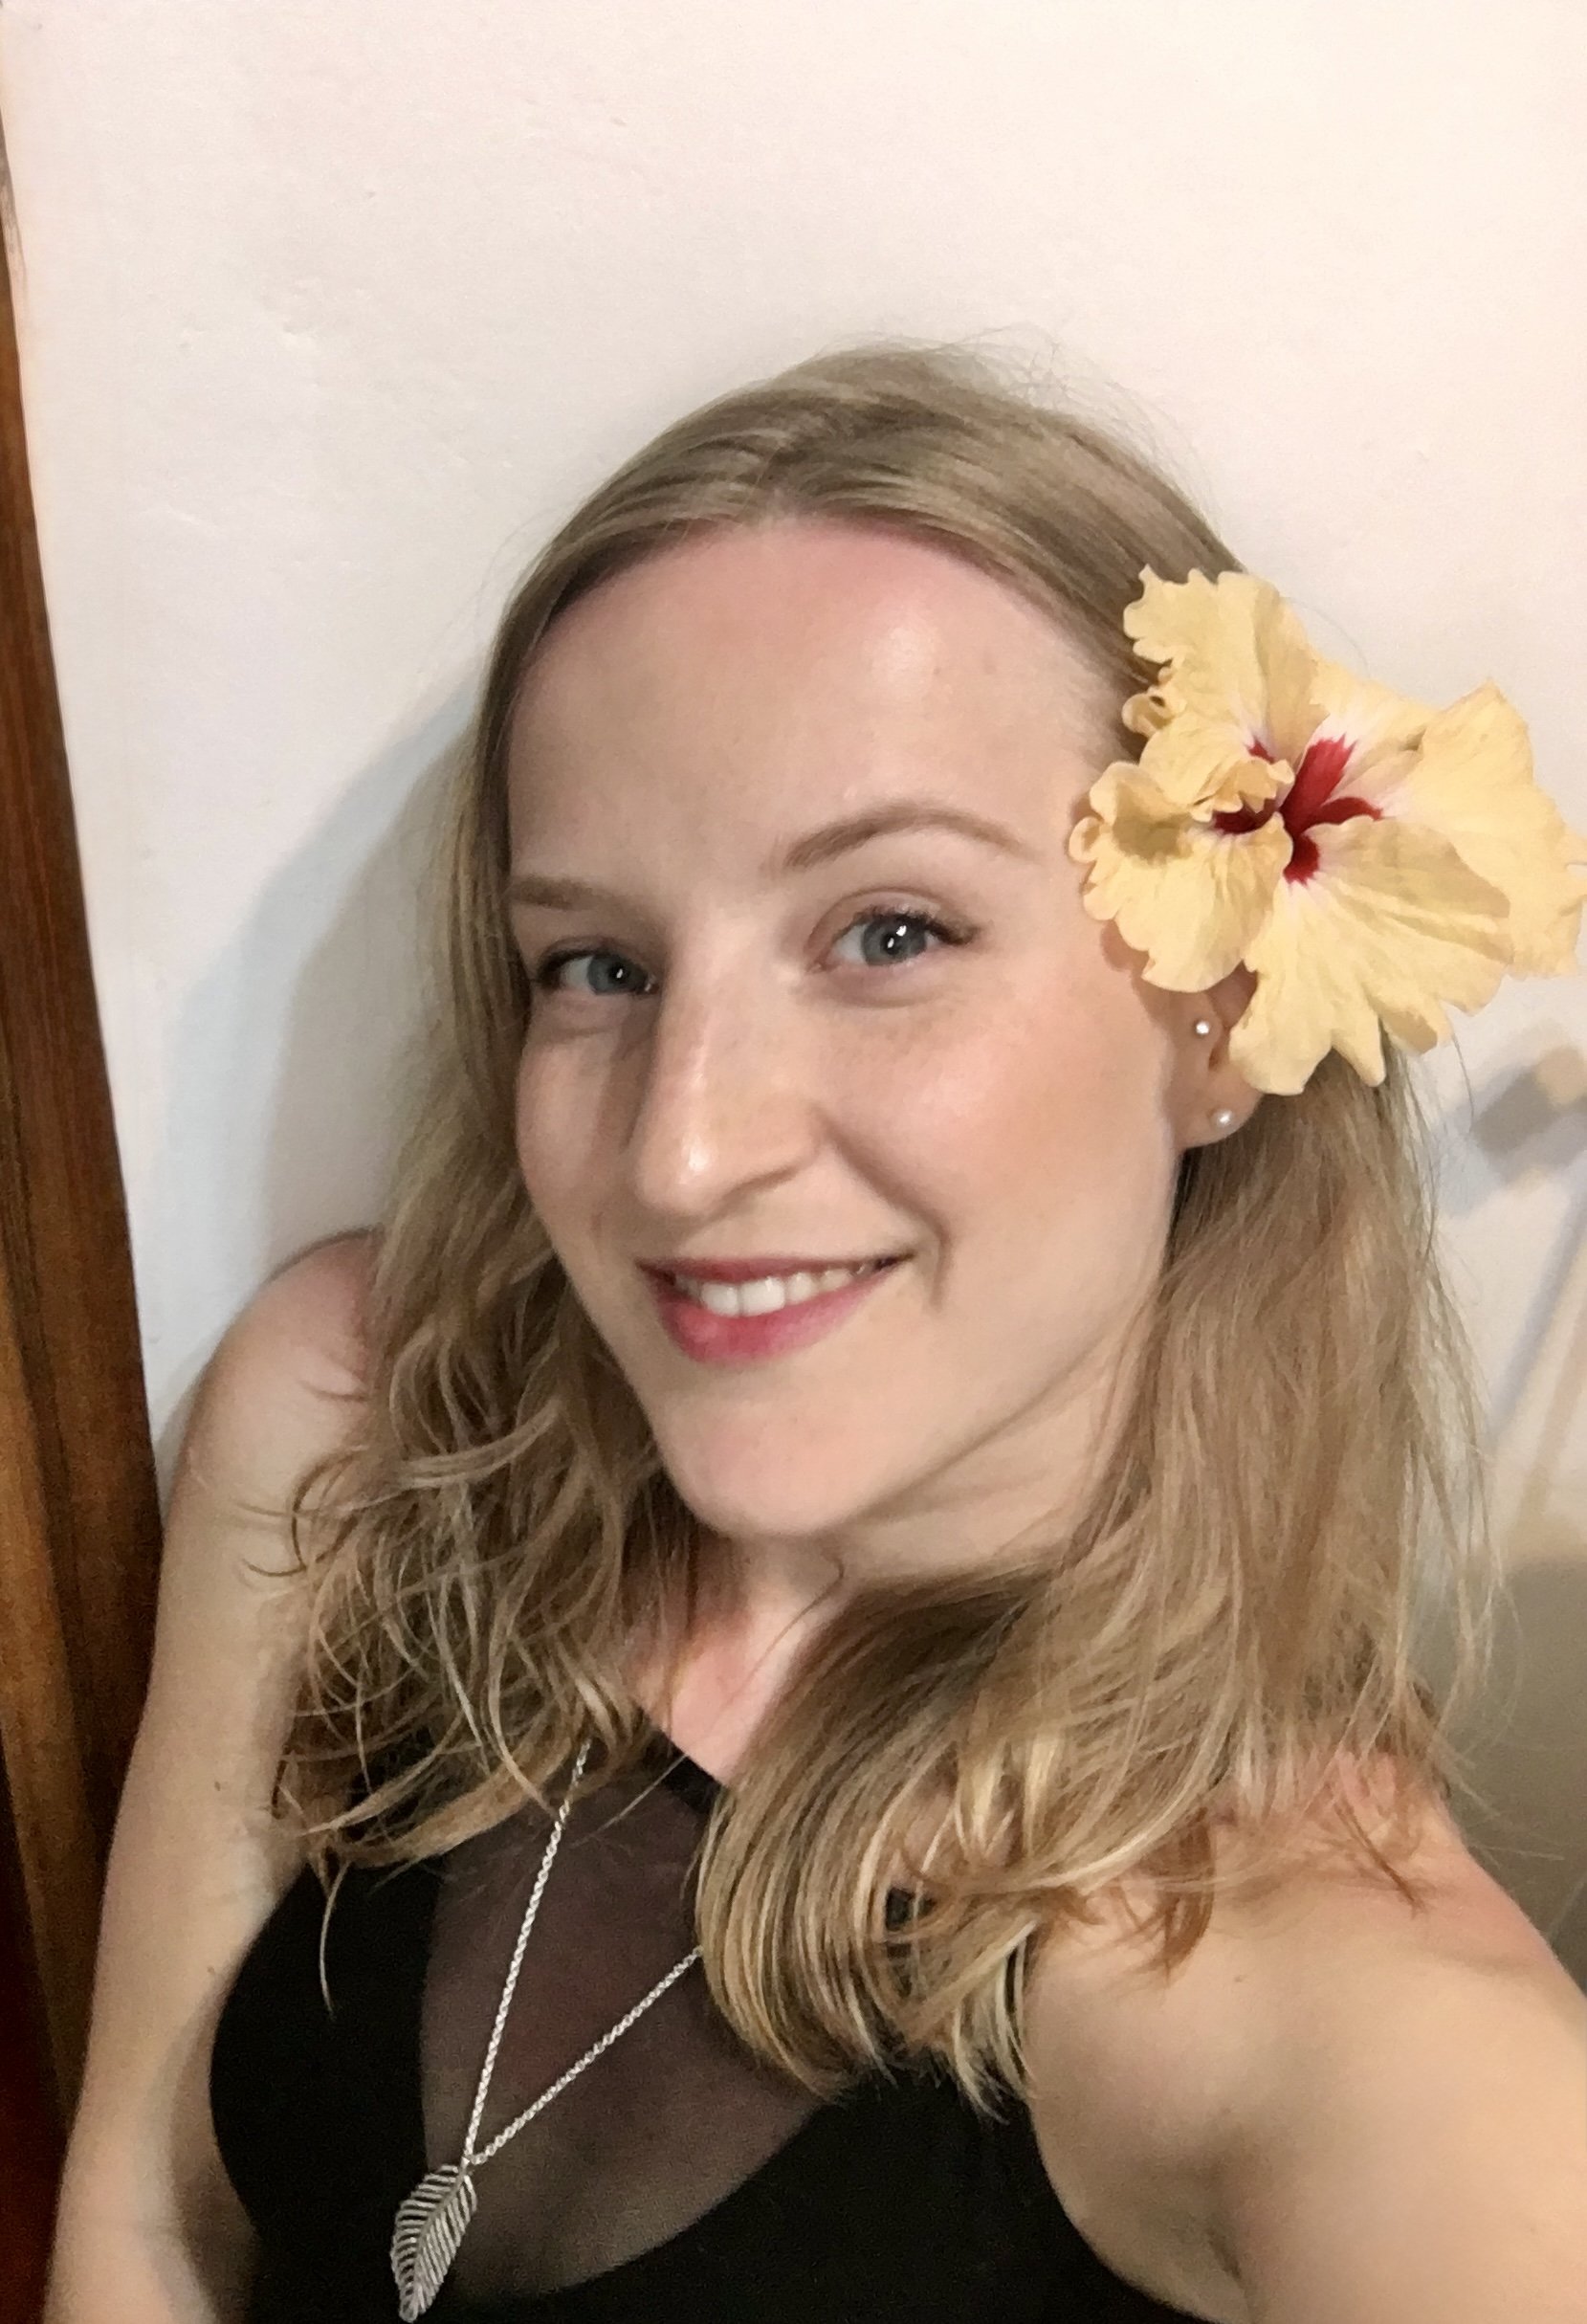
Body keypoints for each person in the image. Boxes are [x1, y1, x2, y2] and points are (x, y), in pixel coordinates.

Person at [45, 342, 1587, 2324]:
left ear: (1215, 1017)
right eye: (593, 964)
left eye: (886, 934)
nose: (676, 1156)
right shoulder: (358, 1421)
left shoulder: (1314, 2001)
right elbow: (152, 2231)